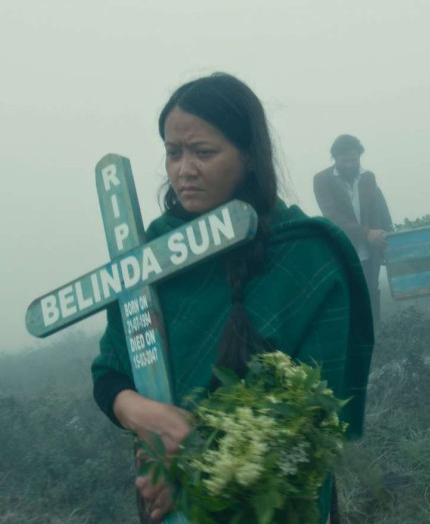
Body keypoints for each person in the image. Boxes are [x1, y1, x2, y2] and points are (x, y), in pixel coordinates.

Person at [90, 73, 374, 524]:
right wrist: (143, 416)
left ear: (249, 156)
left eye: (203, 152)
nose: (184, 170)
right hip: (166, 497)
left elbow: (312, 417)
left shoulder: (305, 256)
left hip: (275, 501)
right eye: (173, 153)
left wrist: (192, 469)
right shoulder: (149, 259)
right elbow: (110, 374)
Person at [312, 135, 394, 324]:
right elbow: (331, 215)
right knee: (351, 292)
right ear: (335, 159)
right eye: (345, 161)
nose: (350, 165)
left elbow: (375, 210)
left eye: (354, 160)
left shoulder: (368, 177)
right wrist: (366, 233)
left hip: (371, 247)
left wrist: (381, 238)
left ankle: (376, 332)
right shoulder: (322, 180)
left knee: (372, 290)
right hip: (344, 247)